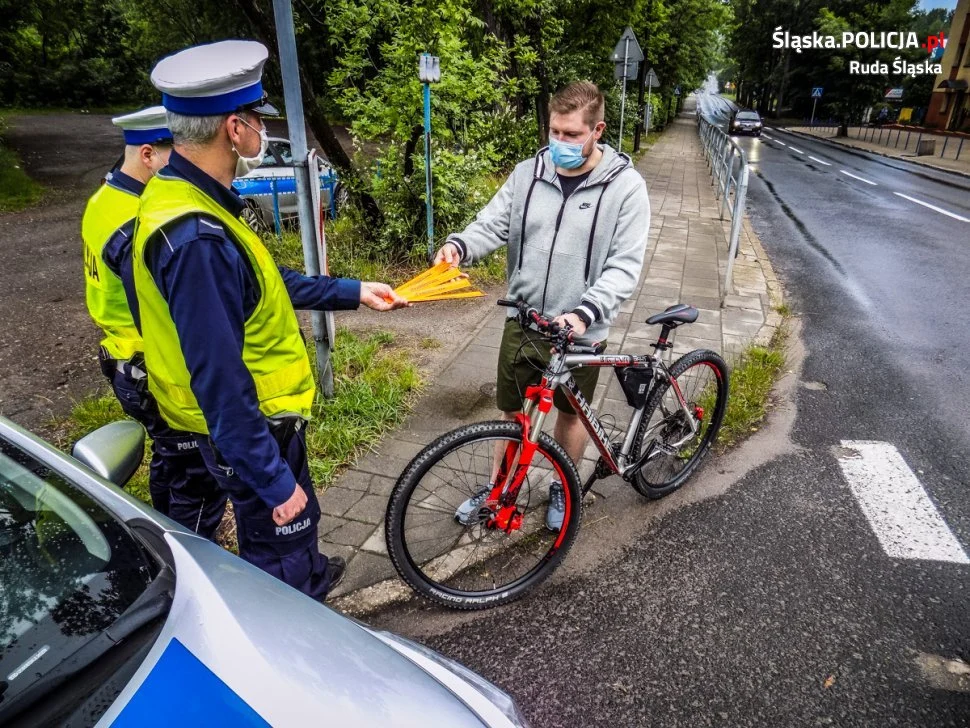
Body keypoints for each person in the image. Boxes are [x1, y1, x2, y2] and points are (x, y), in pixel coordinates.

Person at [131, 40, 407, 601]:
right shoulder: (196, 239)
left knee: (298, 538)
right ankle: (298, 624)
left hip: (254, 422)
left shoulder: (183, 195)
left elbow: (261, 281)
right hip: (255, 423)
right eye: (258, 118)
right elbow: (219, 379)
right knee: (281, 552)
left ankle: (310, 574)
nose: (263, 129)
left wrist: (352, 292)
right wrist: (273, 479)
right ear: (234, 128)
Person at [436, 81, 650, 531]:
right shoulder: (528, 174)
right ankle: (499, 489)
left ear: (597, 131)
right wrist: (459, 246)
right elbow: (492, 224)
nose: (560, 142)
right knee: (513, 413)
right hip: (525, 318)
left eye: (572, 134)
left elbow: (625, 265)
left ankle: (562, 486)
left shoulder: (626, 188)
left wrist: (585, 312)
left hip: (580, 329)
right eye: (555, 131)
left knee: (570, 415)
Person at [81, 106, 228, 537]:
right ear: (148, 155)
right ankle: (190, 560)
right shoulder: (135, 223)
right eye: (174, 155)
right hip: (154, 368)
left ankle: (161, 538)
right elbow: (165, 309)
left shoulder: (104, 201)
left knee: (171, 462)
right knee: (199, 482)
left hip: (123, 359)